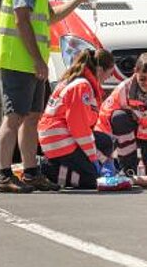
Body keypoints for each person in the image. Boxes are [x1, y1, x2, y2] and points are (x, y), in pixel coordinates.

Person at [0, 0, 92, 193]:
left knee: (32, 118)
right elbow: (21, 22)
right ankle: (4, 175)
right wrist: (36, 59)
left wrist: (78, 0)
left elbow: (52, 18)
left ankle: (30, 171)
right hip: (18, 61)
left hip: (32, 64)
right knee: (14, 117)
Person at [38, 49, 117, 190]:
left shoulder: (79, 82)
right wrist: (93, 158)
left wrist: (100, 158)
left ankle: (58, 167)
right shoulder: (82, 86)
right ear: (99, 70)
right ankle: (48, 170)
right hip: (61, 140)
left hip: (61, 137)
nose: (107, 79)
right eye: (108, 74)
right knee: (91, 181)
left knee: (105, 141)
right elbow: (78, 127)